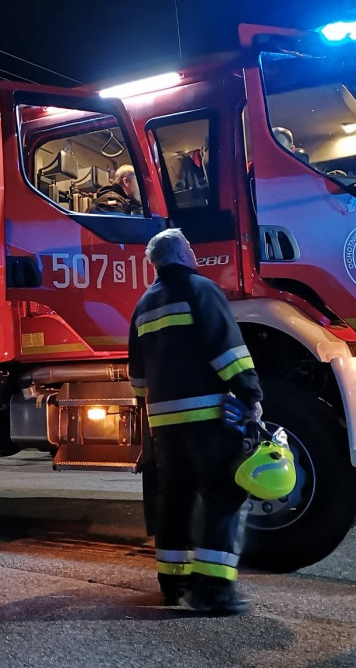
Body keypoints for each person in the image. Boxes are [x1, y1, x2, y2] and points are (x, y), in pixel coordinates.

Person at [128, 228, 263, 615]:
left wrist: (149, 413)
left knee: (175, 499)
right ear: (183, 254)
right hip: (208, 418)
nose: (193, 249)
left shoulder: (144, 305)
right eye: (190, 245)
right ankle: (214, 592)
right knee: (224, 495)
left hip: (165, 425)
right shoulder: (200, 290)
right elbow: (228, 349)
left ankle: (174, 584)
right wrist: (250, 393)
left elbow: (137, 374)